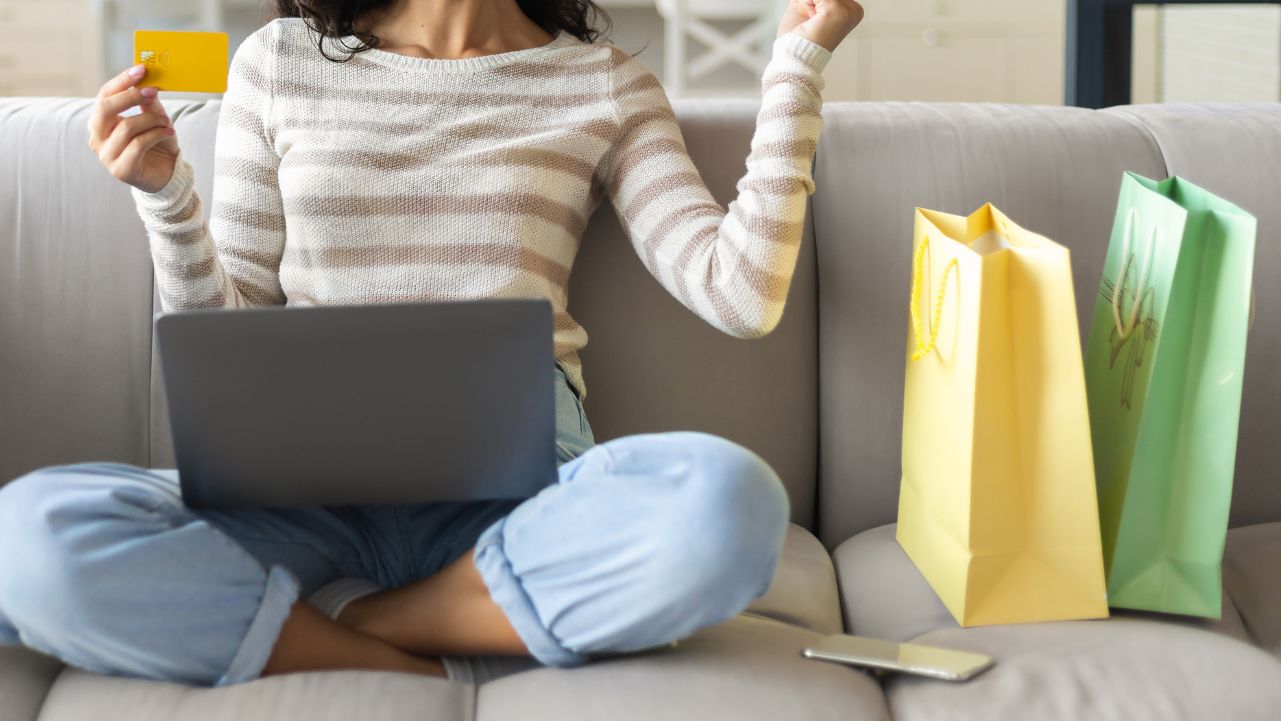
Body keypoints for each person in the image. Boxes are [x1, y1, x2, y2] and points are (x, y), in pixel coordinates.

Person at [0, 0, 863, 687]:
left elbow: (739, 294)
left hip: (522, 488)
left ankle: (379, 617)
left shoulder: (602, 83)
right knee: (26, 533)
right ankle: (397, 655)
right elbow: (224, 333)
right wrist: (166, 198)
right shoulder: (278, 61)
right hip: (295, 484)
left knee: (730, 503)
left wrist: (796, 66)